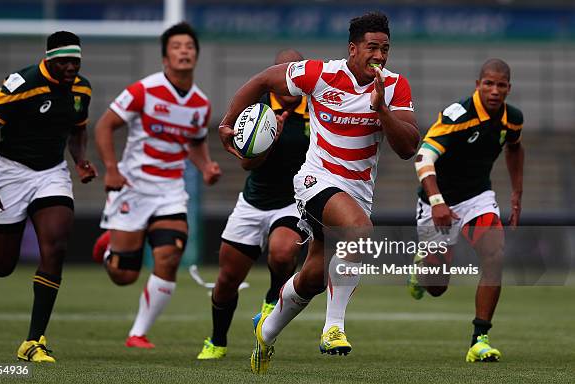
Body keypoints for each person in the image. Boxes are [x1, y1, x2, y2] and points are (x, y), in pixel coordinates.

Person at [218, 12, 419, 373]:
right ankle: (334, 328)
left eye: (385, 49)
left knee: (312, 276)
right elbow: (264, 79)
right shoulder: (319, 73)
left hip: (358, 191)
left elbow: (407, 147)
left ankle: (266, 331)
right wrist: (228, 121)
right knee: (359, 230)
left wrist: (382, 110)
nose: (380, 56)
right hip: (315, 181)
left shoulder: (393, 86)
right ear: (352, 48)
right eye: (372, 47)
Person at [0, 31, 96, 362]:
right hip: (9, 172)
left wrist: (80, 160)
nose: (71, 68)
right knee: (1, 267)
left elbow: (78, 130)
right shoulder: (22, 82)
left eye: (75, 62)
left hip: (51, 173)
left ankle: (33, 341)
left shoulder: (81, 88)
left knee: (56, 246)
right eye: (64, 62)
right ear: (49, 59)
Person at [92, 22, 221, 349]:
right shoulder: (143, 90)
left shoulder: (200, 104)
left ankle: (138, 332)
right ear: (165, 57)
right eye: (177, 46)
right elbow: (105, 125)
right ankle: (111, 247)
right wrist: (110, 169)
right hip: (133, 187)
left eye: (189, 47)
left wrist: (205, 167)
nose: (184, 51)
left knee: (168, 256)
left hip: (170, 191)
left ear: (196, 55)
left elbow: (194, 143)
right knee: (124, 276)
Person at [196, 49, 309, 360]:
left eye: (294, 72)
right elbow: (248, 165)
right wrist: (270, 140)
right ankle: (217, 341)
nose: (288, 81)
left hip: (293, 202)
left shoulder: (314, 111)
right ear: (274, 76)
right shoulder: (256, 110)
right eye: (282, 73)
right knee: (227, 279)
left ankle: (272, 301)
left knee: (284, 250)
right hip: (253, 201)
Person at [409, 58, 524, 362]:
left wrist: (516, 192)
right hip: (437, 202)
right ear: (478, 85)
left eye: (501, 85)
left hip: (477, 198)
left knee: (494, 254)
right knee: (436, 287)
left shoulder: (512, 118)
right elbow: (422, 158)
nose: (495, 90)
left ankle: (479, 338)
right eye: (489, 83)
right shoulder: (457, 114)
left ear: (509, 88)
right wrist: (437, 202)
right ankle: (421, 270)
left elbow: (515, 147)